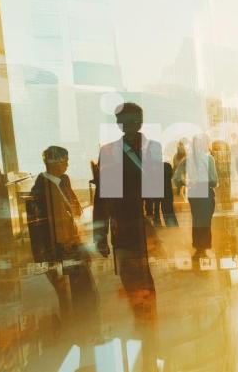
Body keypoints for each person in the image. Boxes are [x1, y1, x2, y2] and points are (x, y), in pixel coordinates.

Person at [93, 102, 162, 371]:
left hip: (144, 227)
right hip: (125, 227)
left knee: (146, 282)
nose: (131, 125)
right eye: (126, 121)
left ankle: (149, 343)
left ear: (142, 120)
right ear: (119, 123)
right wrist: (100, 233)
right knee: (134, 282)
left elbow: (157, 190)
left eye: (135, 120)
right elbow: (103, 197)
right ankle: (146, 339)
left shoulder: (152, 148)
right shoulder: (109, 152)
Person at [27, 146, 98, 336]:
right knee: (72, 292)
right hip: (59, 248)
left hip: (71, 244)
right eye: (64, 160)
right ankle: (76, 330)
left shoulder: (62, 182)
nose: (67, 163)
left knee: (83, 288)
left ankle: (85, 327)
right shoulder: (40, 191)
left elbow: (75, 210)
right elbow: (38, 227)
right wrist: (45, 256)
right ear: (53, 163)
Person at [173, 134, 218, 261]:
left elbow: (176, 178)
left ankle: (198, 248)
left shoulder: (187, 160)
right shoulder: (209, 159)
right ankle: (203, 248)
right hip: (206, 191)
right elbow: (214, 180)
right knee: (205, 221)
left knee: (197, 220)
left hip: (193, 192)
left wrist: (185, 183)